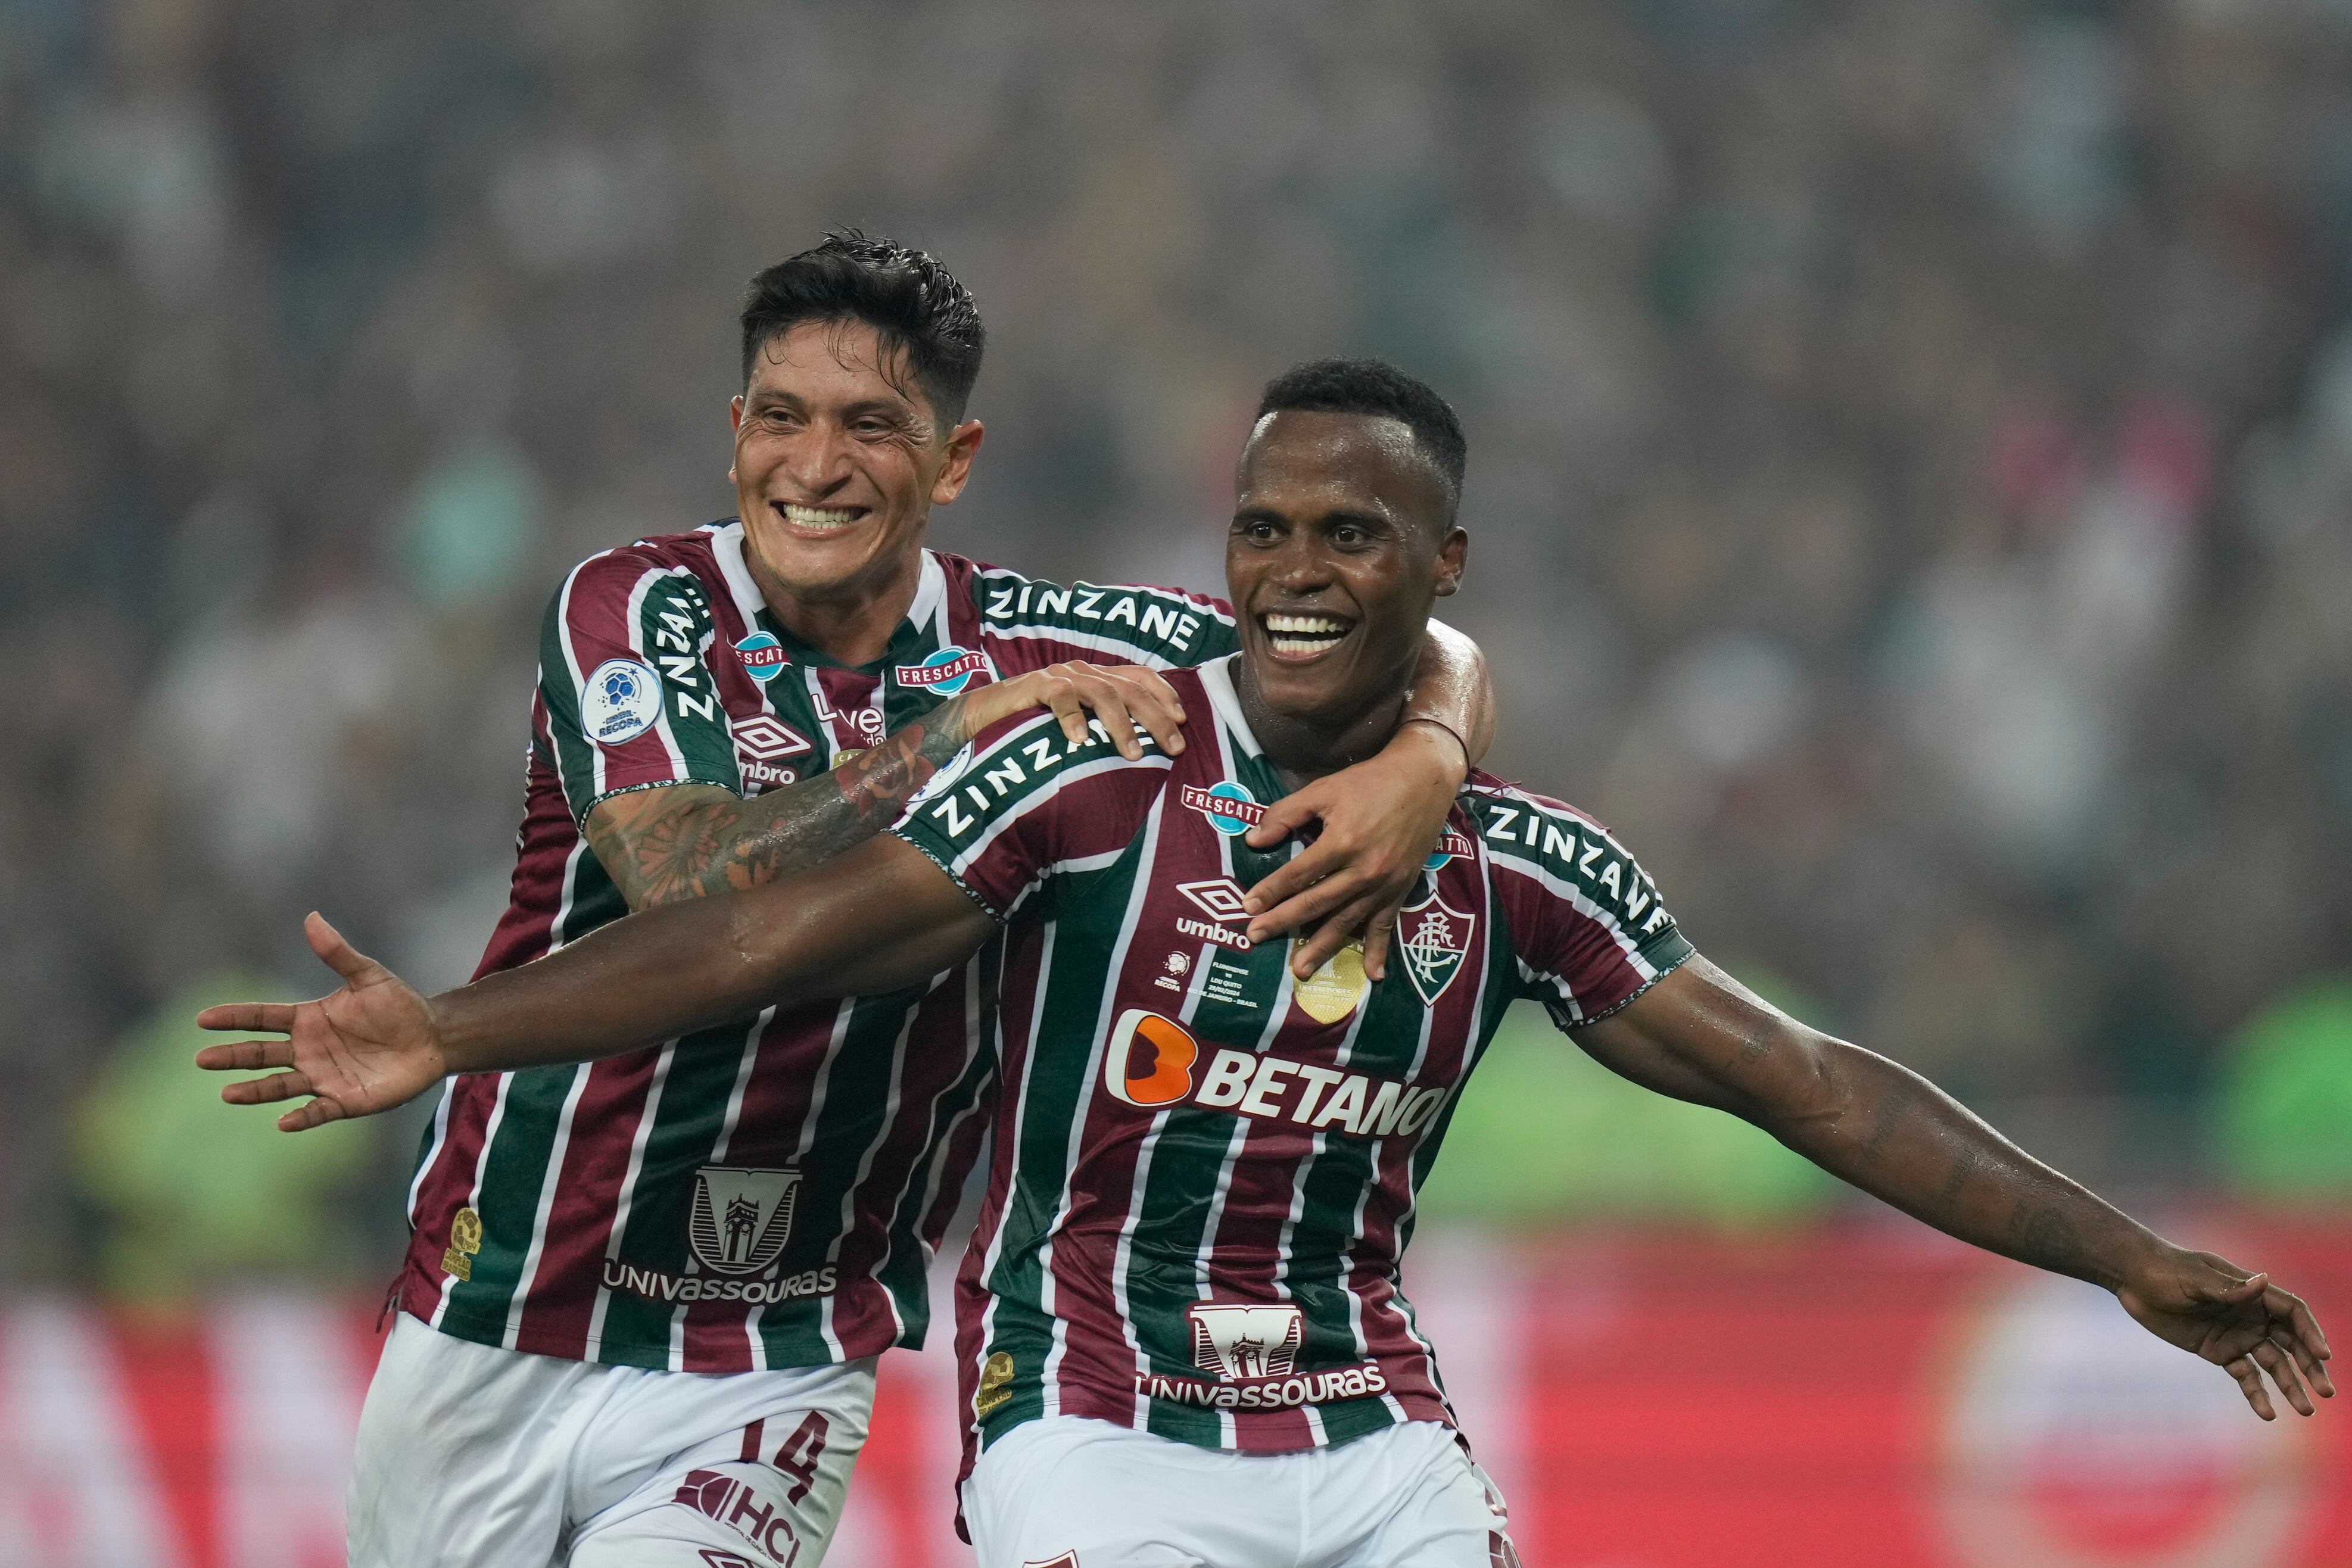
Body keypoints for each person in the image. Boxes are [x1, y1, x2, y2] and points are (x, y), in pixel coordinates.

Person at [202, 359, 2331, 1568]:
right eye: (1266, 536)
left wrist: (2124, 1255)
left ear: (1443, 571)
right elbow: (752, 933)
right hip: (1094, 1425)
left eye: (1354, 539)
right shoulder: (1093, 782)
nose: (1300, 574)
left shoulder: (1512, 863)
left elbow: (1821, 1081)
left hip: (1368, 1428)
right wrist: (451, 1029)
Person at [292, 234, 1497, 1568]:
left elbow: (1384, 629)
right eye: (782, 420)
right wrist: (961, 729)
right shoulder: (639, 606)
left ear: (953, 460)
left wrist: (1431, 751)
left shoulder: (1065, 639)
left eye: (871, 425)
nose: (814, 468)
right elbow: (683, 877)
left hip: (777, 1346)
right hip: (504, 1298)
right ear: (735, 432)